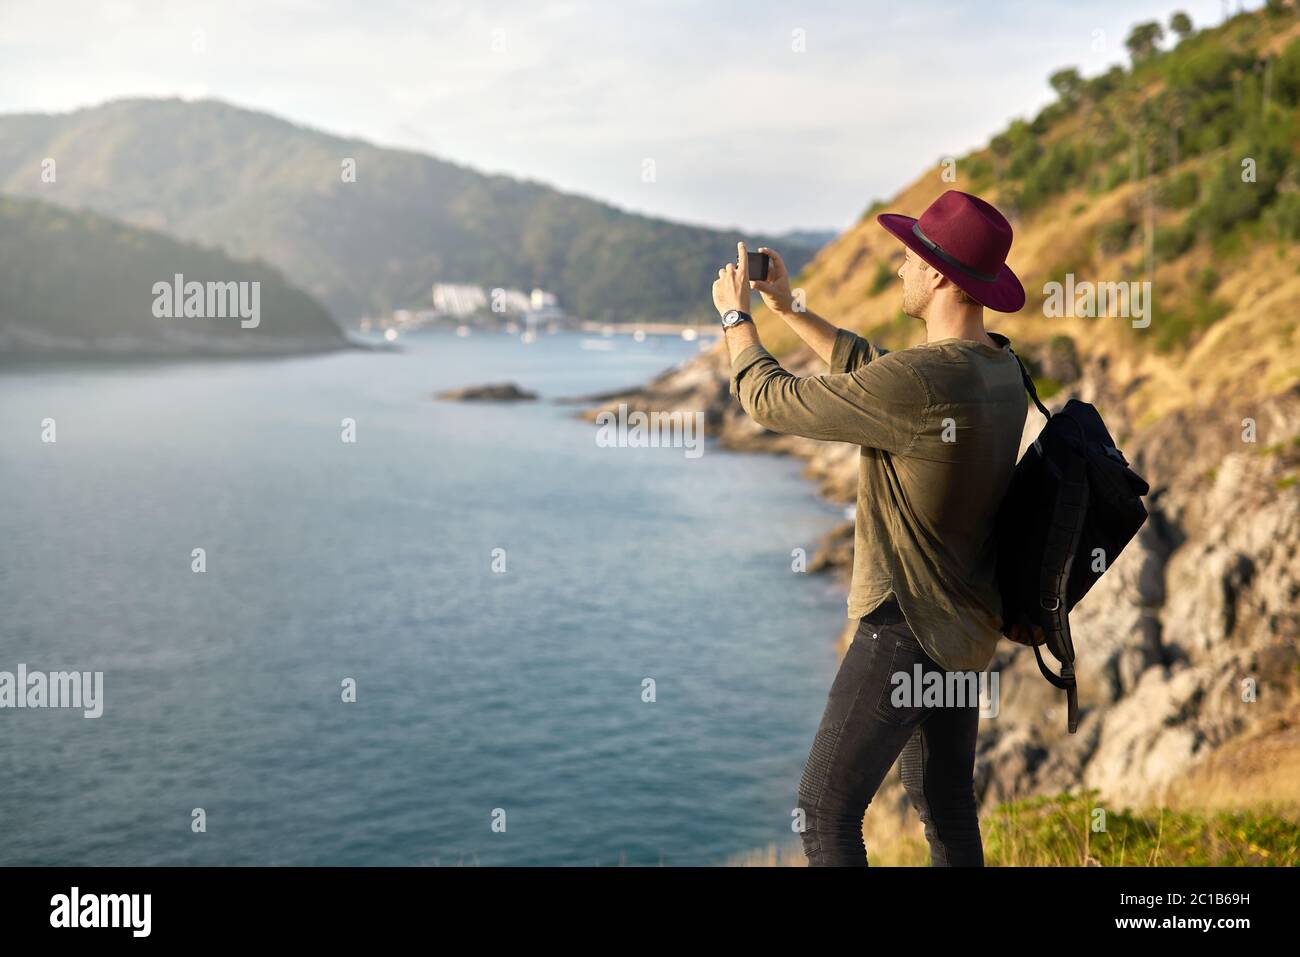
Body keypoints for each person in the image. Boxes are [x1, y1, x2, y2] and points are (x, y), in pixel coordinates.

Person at [711, 190, 1029, 866]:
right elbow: (877, 370)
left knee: (823, 813)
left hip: (903, 628)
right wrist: (789, 309)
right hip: (965, 625)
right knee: (943, 803)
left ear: (940, 274)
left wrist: (737, 319)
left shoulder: (925, 380)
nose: (898, 270)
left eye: (909, 257)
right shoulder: (999, 366)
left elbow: (769, 397)